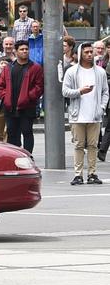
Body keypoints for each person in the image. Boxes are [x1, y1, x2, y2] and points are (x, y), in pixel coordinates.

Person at [62, 42, 109, 185]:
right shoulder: (71, 71)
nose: (89, 54)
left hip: (94, 115)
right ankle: (78, 174)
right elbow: (65, 91)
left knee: (93, 146)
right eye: (86, 52)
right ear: (80, 53)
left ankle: (92, 174)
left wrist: (101, 107)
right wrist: (80, 91)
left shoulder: (100, 72)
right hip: (77, 116)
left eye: (91, 52)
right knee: (78, 145)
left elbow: (105, 92)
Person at [0, 40, 44, 154]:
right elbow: (0, 86)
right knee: (12, 133)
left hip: (27, 107)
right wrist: (5, 97)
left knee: (27, 132)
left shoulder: (35, 68)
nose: (25, 51)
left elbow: (39, 87)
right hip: (10, 107)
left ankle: (28, 156)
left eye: (26, 49)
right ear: (16, 51)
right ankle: (15, 157)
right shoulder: (8, 68)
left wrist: (28, 97)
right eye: (22, 49)